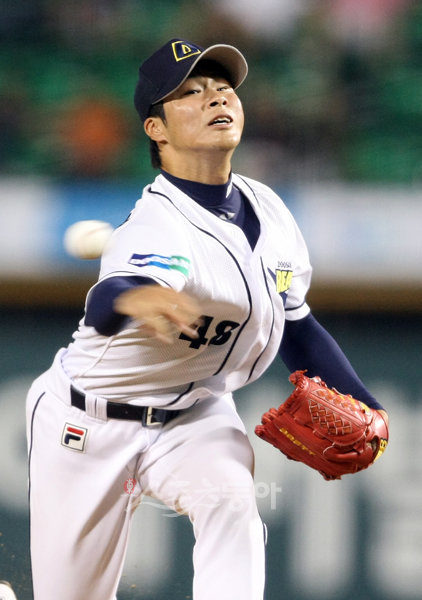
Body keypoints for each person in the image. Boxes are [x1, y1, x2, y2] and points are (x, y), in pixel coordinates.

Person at [26, 38, 388, 600]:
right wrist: (136, 299)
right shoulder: (159, 223)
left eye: (223, 88)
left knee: (232, 503)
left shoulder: (268, 208)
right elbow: (109, 299)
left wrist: (368, 405)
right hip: (87, 425)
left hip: (195, 416)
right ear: (156, 129)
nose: (217, 98)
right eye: (191, 92)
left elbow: (296, 326)